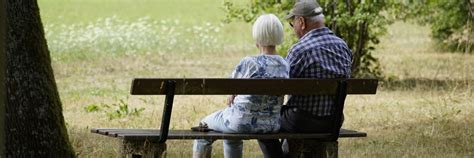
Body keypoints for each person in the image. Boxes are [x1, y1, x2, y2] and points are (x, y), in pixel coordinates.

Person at [257, 0, 353, 157]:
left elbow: (279, 86)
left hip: (301, 121)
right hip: (333, 121)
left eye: (292, 23)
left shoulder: (299, 50)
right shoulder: (343, 46)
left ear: (301, 22)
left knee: (262, 120)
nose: (293, 28)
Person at [192, 14, 289, 158]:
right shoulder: (284, 64)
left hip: (240, 122)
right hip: (271, 125)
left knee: (203, 126)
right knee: (231, 133)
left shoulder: (249, 62)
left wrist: (232, 96)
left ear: (257, 36)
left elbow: (231, 92)